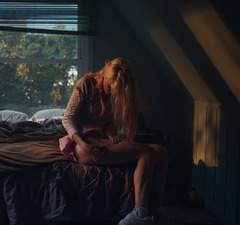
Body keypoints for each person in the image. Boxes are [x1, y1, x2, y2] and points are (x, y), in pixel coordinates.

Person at [60, 57, 169, 225]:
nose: (111, 92)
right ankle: (140, 215)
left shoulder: (114, 92)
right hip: (82, 143)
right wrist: (84, 145)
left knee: (161, 152)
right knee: (146, 153)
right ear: (104, 75)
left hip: (101, 137)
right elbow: (67, 119)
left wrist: (110, 134)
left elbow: (107, 121)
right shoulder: (85, 84)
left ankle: (157, 213)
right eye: (110, 87)